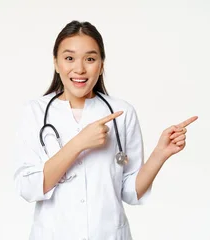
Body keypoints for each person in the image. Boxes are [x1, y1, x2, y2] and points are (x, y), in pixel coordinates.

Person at [12, 20, 198, 240]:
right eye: (69, 58)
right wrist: (79, 142)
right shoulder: (35, 112)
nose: (79, 68)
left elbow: (130, 191)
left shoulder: (122, 112)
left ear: (101, 65)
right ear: (56, 62)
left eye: (90, 59)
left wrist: (160, 154)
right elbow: (29, 187)